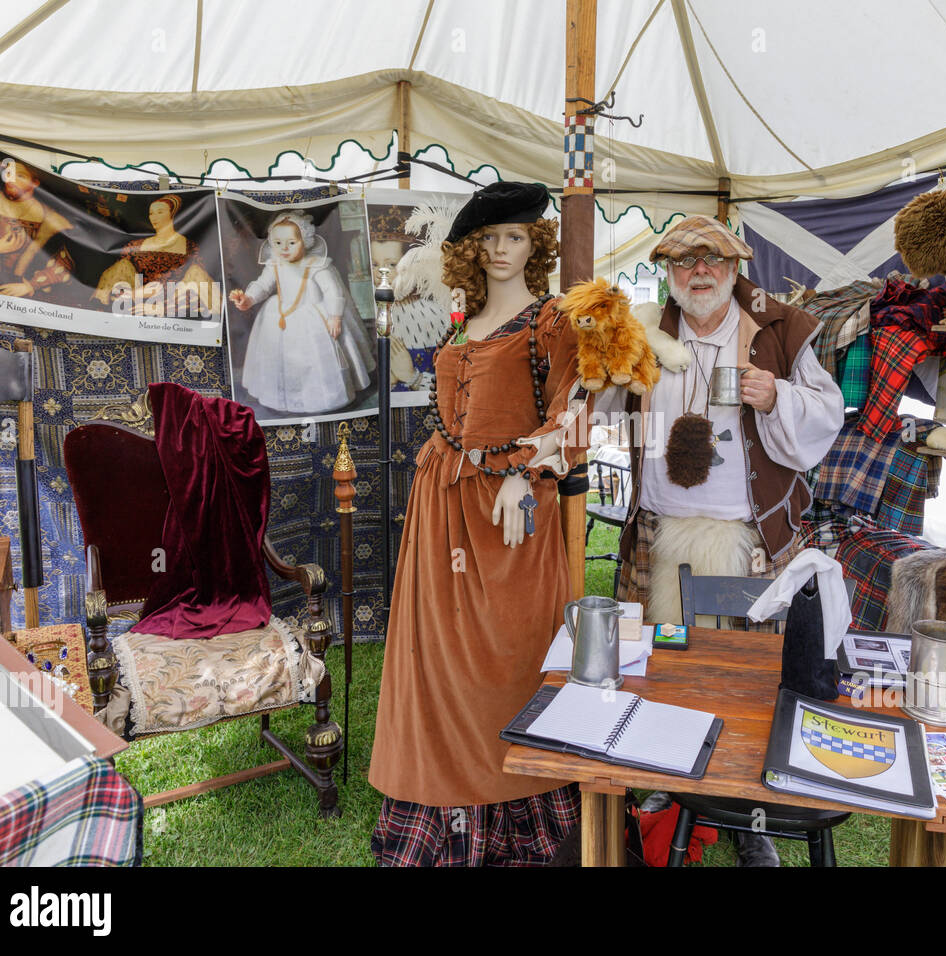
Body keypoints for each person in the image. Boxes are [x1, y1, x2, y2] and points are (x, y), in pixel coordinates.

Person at [368, 181, 590, 866]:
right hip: (443, 507)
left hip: (511, 517)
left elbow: (575, 413)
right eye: (489, 238)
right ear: (471, 249)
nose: (500, 249)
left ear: (536, 244)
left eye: (515, 236)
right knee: (439, 665)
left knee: (509, 663)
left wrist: (526, 473)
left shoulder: (553, 321)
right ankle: (442, 817)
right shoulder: (462, 328)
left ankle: (516, 820)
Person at [614, 215, 844, 865]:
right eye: (684, 261)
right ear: (668, 272)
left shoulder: (778, 331)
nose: (699, 271)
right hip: (658, 536)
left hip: (752, 540)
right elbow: (606, 412)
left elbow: (827, 416)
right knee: (663, 668)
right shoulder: (647, 333)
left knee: (748, 683)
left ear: (736, 267)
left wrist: (777, 397)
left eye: (713, 258)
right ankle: (662, 783)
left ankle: (753, 821)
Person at [230, 210, 375, 414]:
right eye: (278, 243)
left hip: (313, 317)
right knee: (282, 359)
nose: (285, 248)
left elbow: (332, 291)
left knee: (316, 359)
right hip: (280, 315)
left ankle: (319, 396)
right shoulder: (275, 264)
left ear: (305, 241)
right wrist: (249, 298)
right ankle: (286, 396)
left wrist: (334, 316)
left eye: (291, 242)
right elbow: (263, 284)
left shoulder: (316, 265)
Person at [0, 158, 74, 300]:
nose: (12, 179)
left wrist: (30, 286)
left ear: (35, 182)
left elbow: (67, 264)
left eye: (20, 176)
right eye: (9, 173)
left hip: (22, 298)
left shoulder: (52, 219)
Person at [91, 194, 219, 318]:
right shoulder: (135, 245)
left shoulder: (190, 247)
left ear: (172, 213)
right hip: (137, 300)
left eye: (160, 212)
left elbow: (198, 283)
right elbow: (117, 282)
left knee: (197, 272)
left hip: (175, 303)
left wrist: (166, 306)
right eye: (151, 213)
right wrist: (137, 294)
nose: (154, 217)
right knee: (122, 266)